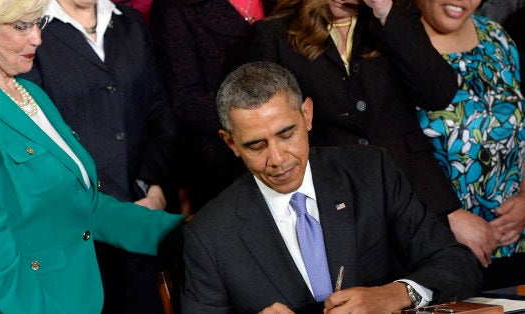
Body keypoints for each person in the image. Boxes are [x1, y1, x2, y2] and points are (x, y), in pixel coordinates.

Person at [0, 0, 184, 312]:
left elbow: (83, 206)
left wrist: (185, 233)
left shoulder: (29, 94)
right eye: (22, 27)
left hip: (75, 297)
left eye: (37, 23)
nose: (37, 38)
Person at [182, 62, 482, 313]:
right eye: (256, 145)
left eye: (286, 134)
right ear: (231, 143)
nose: (277, 159)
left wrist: (395, 294)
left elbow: (458, 265)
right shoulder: (209, 235)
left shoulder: (370, 172)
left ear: (307, 115)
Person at [20, 0, 179, 312]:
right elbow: (38, 136)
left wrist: (154, 188)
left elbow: (160, 112)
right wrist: (104, 209)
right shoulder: (32, 29)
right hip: (79, 228)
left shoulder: (130, 21)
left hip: (145, 212)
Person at [247, 0, 463, 224]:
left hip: (415, 193)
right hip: (335, 200)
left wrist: (386, 14)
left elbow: (438, 94)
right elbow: (264, 124)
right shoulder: (273, 34)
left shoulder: (395, 15)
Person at [416, 0, 525, 290]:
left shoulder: (497, 37)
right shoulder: (399, 46)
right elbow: (389, 155)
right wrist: (447, 217)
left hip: (511, 245)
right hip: (436, 254)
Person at [150, 0, 277, 213]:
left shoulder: (286, 4)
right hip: (224, 163)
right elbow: (185, 102)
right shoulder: (175, 8)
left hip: (296, 148)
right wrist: (259, 119)